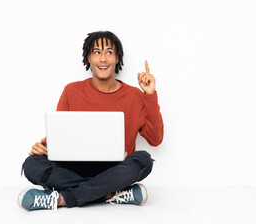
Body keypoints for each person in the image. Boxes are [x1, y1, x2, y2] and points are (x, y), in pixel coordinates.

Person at [17, 31, 164, 212]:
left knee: (144, 160)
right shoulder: (71, 91)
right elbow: (60, 134)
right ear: (88, 57)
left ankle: (63, 199)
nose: (103, 59)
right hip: (75, 169)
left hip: (115, 169)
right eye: (97, 52)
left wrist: (150, 95)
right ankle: (111, 194)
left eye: (109, 52)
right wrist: (43, 146)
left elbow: (155, 139)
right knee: (32, 164)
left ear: (117, 58)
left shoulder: (135, 96)